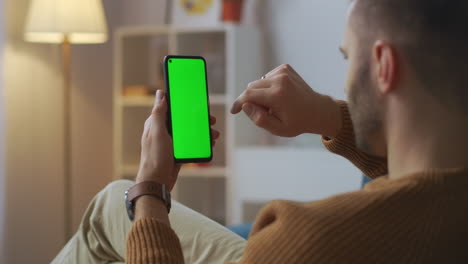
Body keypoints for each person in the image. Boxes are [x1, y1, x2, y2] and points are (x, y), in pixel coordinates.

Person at [54, 0, 468, 263]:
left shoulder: (304, 239)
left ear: (382, 65)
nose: (344, 81)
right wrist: (325, 115)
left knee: (116, 200)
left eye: (348, 58)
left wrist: (150, 190)